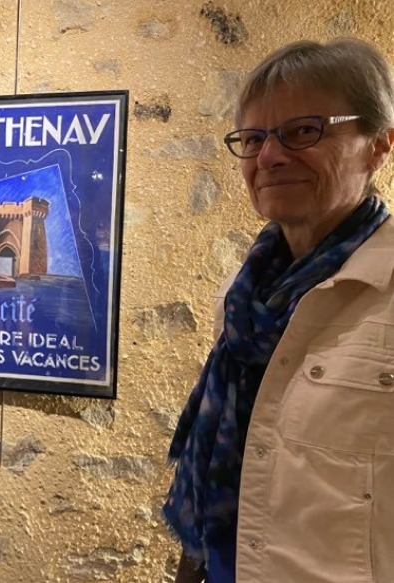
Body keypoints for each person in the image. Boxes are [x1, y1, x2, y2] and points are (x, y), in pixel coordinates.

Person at [163, 38, 394, 583]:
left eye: (303, 131)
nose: (269, 157)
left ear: (378, 147)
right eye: (253, 138)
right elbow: (233, 464)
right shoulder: (243, 297)